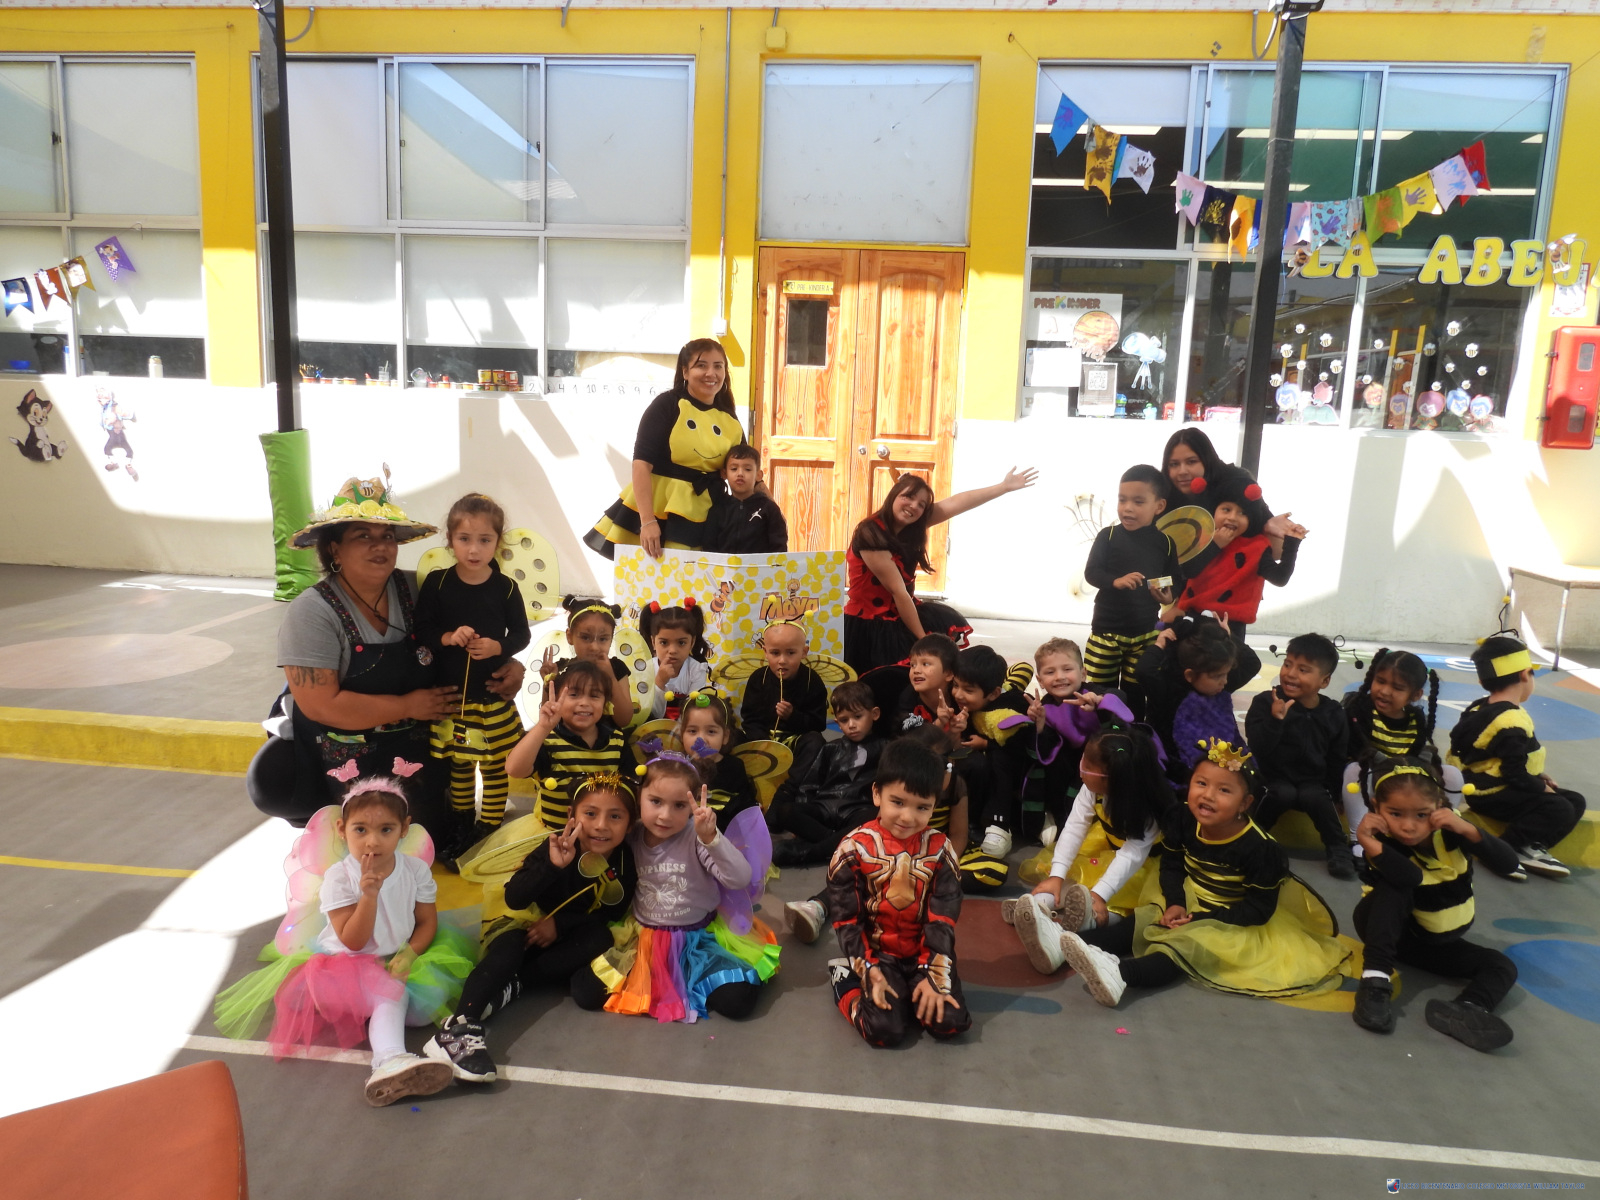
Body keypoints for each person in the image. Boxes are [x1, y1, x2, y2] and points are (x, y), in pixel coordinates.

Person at [250, 467, 522, 838]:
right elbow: (321, 705)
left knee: (429, 838)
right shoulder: (312, 613)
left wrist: (509, 664)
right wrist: (408, 706)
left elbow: (477, 631)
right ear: (334, 548)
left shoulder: (420, 588)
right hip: (340, 758)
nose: (380, 546)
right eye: (363, 536)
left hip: (419, 749)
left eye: (387, 536)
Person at [213, 775, 476, 1106]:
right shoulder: (339, 878)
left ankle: (371, 1015)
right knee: (392, 994)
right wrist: (369, 896)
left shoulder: (414, 870)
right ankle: (388, 1060)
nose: (372, 842)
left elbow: (426, 923)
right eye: (360, 829)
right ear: (342, 829)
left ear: (404, 829)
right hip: (342, 966)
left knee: (420, 1013)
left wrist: (410, 954)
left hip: (392, 956)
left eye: (386, 830)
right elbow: (353, 941)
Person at [1047, 740, 1352, 1007]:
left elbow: (1258, 910)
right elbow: (1172, 864)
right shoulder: (1182, 817)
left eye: (1224, 790)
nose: (1208, 795)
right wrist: (1175, 902)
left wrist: (1201, 919)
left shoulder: (1261, 849)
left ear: (1245, 803)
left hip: (1231, 919)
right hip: (1188, 899)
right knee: (1140, 921)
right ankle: (1062, 943)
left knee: (1183, 946)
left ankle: (1121, 975)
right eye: (1201, 783)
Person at [423, 774, 638, 1083]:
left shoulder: (624, 860)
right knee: (508, 949)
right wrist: (552, 866)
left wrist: (559, 924)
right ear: (571, 815)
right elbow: (515, 897)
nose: (601, 825)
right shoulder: (554, 846)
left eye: (615, 817)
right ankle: (459, 1026)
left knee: (600, 937)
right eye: (590, 813)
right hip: (525, 920)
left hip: (570, 929)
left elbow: (612, 911)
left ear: (630, 825)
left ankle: (515, 985)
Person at [574, 752, 779, 1022]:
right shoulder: (632, 833)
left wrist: (712, 839)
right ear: (639, 797)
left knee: (736, 1004)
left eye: (679, 805)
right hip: (644, 940)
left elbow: (739, 878)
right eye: (656, 802)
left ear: (692, 807)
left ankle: (711, 977)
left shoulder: (697, 836)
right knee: (585, 994)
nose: (665, 815)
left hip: (699, 940)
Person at [1350, 757, 1519, 1052]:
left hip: (1432, 940)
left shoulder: (1452, 831)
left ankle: (1467, 1008)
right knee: (1396, 885)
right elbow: (1409, 876)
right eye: (1395, 813)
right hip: (1390, 932)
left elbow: (1508, 863)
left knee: (1501, 966)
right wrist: (1364, 838)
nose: (1408, 826)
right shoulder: (1380, 842)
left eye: (1421, 814)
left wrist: (1468, 829)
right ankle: (1375, 982)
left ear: (1439, 806)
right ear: (1377, 807)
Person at [825, 738, 970, 1047]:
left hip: (924, 953)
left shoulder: (942, 851)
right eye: (898, 802)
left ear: (935, 806)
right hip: (878, 956)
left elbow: (942, 920)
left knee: (949, 1023)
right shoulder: (851, 850)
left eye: (922, 807)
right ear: (877, 793)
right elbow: (847, 921)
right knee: (883, 1031)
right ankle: (845, 980)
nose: (908, 817)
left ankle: (913, 993)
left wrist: (935, 976)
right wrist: (868, 969)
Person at [415, 493, 531, 856]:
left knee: (494, 767)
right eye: (464, 539)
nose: (474, 549)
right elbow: (422, 629)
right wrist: (449, 637)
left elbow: (522, 635)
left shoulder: (506, 588)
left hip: (491, 697)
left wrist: (499, 647)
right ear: (450, 540)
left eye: (485, 540)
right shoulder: (437, 583)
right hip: (451, 698)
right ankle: (462, 822)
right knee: (460, 765)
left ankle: (488, 826)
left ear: (498, 542)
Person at [843, 467, 1037, 673]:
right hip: (869, 624)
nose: (913, 506)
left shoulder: (913, 525)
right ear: (893, 496)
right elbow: (898, 591)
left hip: (902, 613)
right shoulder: (870, 533)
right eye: (908, 497)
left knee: (929, 674)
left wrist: (1003, 487)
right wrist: (923, 640)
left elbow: (956, 503)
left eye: (921, 504)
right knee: (885, 678)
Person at [1013, 722, 1171, 973]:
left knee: (1123, 899)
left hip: (1144, 865)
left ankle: (1093, 920)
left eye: (1086, 765)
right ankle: (1039, 905)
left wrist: (1101, 894)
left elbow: (1131, 856)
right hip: (1108, 847)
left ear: (1110, 779)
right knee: (1075, 874)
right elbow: (1075, 826)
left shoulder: (1145, 807)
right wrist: (1057, 874)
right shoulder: (1092, 789)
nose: (1081, 768)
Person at [585, 338, 747, 559]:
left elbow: (745, 466)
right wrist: (647, 521)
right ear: (685, 372)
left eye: (718, 366)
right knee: (656, 579)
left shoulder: (729, 419)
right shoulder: (667, 405)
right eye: (701, 365)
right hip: (660, 513)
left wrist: (767, 506)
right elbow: (641, 465)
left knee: (701, 579)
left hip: (708, 513)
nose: (711, 373)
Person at [1449, 633, 1586, 880]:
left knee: (1575, 800)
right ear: (1525, 675)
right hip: (1493, 793)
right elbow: (1514, 773)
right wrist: (1541, 787)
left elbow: (1503, 757)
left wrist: (1539, 775)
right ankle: (1505, 848)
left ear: (1482, 680)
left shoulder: (1480, 707)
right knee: (1560, 807)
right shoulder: (1510, 721)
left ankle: (1531, 846)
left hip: (1481, 786)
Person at [1245, 632, 1354, 880]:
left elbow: (1337, 757)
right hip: (1272, 778)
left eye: (1303, 670)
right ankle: (1252, 838)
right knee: (1281, 793)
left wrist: (1336, 794)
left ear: (1324, 681)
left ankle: (1338, 849)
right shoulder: (1265, 702)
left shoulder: (1333, 712)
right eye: (1287, 664)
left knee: (1316, 796)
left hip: (1312, 782)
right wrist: (1275, 720)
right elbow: (1258, 747)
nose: (1291, 674)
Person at [1340, 649, 1455, 864]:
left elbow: (1417, 756)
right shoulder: (1359, 710)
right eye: (1380, 681)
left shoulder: (1415, 719)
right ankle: (1358, 837)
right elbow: (1353, 751)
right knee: (1355, 769)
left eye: (1397, 688)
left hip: (1404, 782)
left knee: (1452, 775)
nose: (1384, 691)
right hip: (1371, 779)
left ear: (1415, 695)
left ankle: (1437, 831)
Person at [1167, 467, 1305, 643]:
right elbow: (1188, 571)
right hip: (1194, 619)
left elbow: (1280, 578)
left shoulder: (1257, 547)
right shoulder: (1201, 536)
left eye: (1242, 513)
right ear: (1213, 510)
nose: (1232, 517)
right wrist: (1215, 545)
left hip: (1232, 627)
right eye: (1226, 509)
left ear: (1251, 519)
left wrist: (1292, 544)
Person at [1082, 465, 1182, 696]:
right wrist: (1115, 581)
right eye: (1122, 500)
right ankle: (1105, 721)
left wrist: (1168, 594)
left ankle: (1132, 720)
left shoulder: (1166, 543)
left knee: (1137, 690)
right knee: (1100, 692)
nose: (1127, 508)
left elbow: (1175, 578)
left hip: (1145, 632)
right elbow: (1092, 572)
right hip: (1106, 632)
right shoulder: (1108, 536)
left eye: (1138, 502)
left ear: (1159, 506)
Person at [768, 680, 885, 868]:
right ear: (837, 723)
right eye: (844, 720)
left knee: (872, 818)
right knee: (786, 811)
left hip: (858, 808)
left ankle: (812, 852)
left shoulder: (885, 748)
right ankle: (836, 843)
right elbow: (810, 784)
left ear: (874, 714)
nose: (852, 725)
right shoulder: (831, 748)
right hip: (824, 807)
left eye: (858, 717)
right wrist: (803, 811)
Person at [507, 660, 627, 831]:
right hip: (554, 835)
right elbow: (514, 769)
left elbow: (629, 789)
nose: (584, 702)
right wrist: (543, 727)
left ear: (605, 702)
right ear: (557, 698)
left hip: (601, 835)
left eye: (594, 695)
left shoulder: (617, 740)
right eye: (574, 694)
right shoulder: (548, 740)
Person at [1136, 615, 1259, 777]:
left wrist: (1229, 636)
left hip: (1219, 767)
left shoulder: (1220, 686)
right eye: (1217, 676)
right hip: (1174, 769)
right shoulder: (1168, 692)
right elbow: (1144, 671)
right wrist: (1159, 645)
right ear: (1190, 675)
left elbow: (1252, 663)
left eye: (1226, 674)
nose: (1224, 681)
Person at [948, 644, 1031, 864]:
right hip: (978, 769)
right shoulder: (955, 704)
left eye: (968, 690)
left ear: (994, 693)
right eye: (955, 685)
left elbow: (1020, 750)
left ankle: (998, 824)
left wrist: (987, 744)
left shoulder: (1012, 708)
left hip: (1016, 772)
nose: (958, 694)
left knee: (996, 759)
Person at [1015, 637, 1088, 844]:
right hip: (1061, 775)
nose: (1059, 677)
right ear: (1039, 680)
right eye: (1050, 672)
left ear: (1083, 673)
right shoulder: (1042, 708)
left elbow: (1119, 699)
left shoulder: (1092, 697)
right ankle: (1054, 814)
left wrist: (1099, 704)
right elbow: (1040, 754)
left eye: (1067, 669)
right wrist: (1039, 725)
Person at [541, 595, 635, 727]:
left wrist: (610, 677)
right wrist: (549, 681)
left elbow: (624, 720)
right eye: (585, 637)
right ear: (569, 636)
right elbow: (548, 717)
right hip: (565, 739)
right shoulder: (562, 669)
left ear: (611, 639)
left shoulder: (616, 668)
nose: (594, 647)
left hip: (608, 738)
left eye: (603, 639)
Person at [675, 690, 758, 828]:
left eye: (711, 731)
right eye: (692, 731)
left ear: (725, 736)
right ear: (682, 735)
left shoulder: (734, 767)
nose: (701, 739)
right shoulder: (677, 767)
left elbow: (743, 806)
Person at [739, 619, 829, 743]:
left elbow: (818, 724)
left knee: (815, 740)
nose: (782, 661)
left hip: (796, 738)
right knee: (732, 736)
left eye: (791, 653)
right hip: (763, 739)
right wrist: (765, 743)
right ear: (766, 652)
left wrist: (792, 716)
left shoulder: (811, 680)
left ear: (803, 652)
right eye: (775, 653)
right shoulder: (759, 678)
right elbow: (750, 720)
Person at [704, 443, 788, 554]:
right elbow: (709, 549)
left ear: (758, 475)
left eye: (747, 469)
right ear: (724, 474)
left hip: (760, 565)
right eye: (734, 469)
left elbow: (779, 548)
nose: (740, 473)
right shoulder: (718, 509)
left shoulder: (769, 509)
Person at [639, 599, 713, 721]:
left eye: (681, 643)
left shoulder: (696, 670)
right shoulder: (645, 670)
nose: (672, 650)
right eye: (664, 642)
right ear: (653, 642)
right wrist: (660, 681)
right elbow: (649, 714)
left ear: (692, 642)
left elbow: (694, 712)